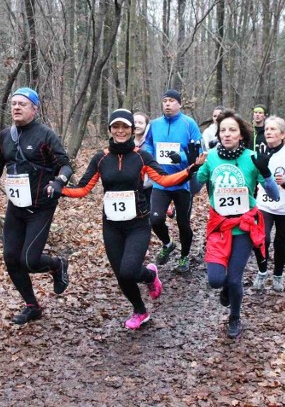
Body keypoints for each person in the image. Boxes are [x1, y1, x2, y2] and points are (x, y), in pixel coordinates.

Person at [60, 109, 206, 329]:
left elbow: (164, 180)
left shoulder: (141, 156)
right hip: (111, 225)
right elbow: (83, 189)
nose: (120, 131)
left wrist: (191, 169)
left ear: (131, 129)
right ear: (109, 129)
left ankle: (148, 275)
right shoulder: (101, 158)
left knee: (129, 270)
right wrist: (57, 189)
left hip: (138, 223)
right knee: (121, 274)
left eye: (125, 127)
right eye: (116, 127)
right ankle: (140, 310)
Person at [0, 87, 73, 325]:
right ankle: (32, 306)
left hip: (41, 207)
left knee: (29, 260)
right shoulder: (6, 135)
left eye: (22, 104)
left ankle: (58, 265)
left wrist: (59, 182)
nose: (16, 107)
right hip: (16, 207)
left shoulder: (45, 135)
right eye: (13, 103)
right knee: (10, 258)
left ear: (34, 109)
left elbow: (65, 165)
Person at [195, 109, 280, 339]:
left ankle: (235, 316)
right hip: (218, 227)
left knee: (234, 278)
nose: (227, 134)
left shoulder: (252, 158)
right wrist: (192, 168)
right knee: (215, 280)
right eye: (223, 130)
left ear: (241, 134)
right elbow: (193, 189)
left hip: (243, 227)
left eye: (232, 130)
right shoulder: (211, 157)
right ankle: (226, 289)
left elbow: (274, 196)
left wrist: (265, 172)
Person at [143, 89, 204, 273]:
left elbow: (199, 150)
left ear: (179, 104)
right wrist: (150, 159)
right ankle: (168, 244)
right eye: (165, 101)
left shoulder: (188, 124)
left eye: (171, 101)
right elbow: (147, 144)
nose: (167, 104)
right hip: (161, 181)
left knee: (183, 223)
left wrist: (182, 157)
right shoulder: (154, 124)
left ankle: (184, 256)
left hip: (183, 181)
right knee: (155, 219)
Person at [252, 116, 285, 292]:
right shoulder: (259, 152)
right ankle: (262, 271)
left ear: (282, 134)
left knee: (280, 244)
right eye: (267, 129)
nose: (268, 132)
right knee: (261, 240)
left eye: (273, 129)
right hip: (264, 205)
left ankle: (278, 275)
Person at [134, 111, 153, 210]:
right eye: (135, 122)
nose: (137, 125)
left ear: (146, 125)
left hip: (150, 186)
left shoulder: (151, 144)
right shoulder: (128, 143)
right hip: (133, 187)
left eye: (140, 123)